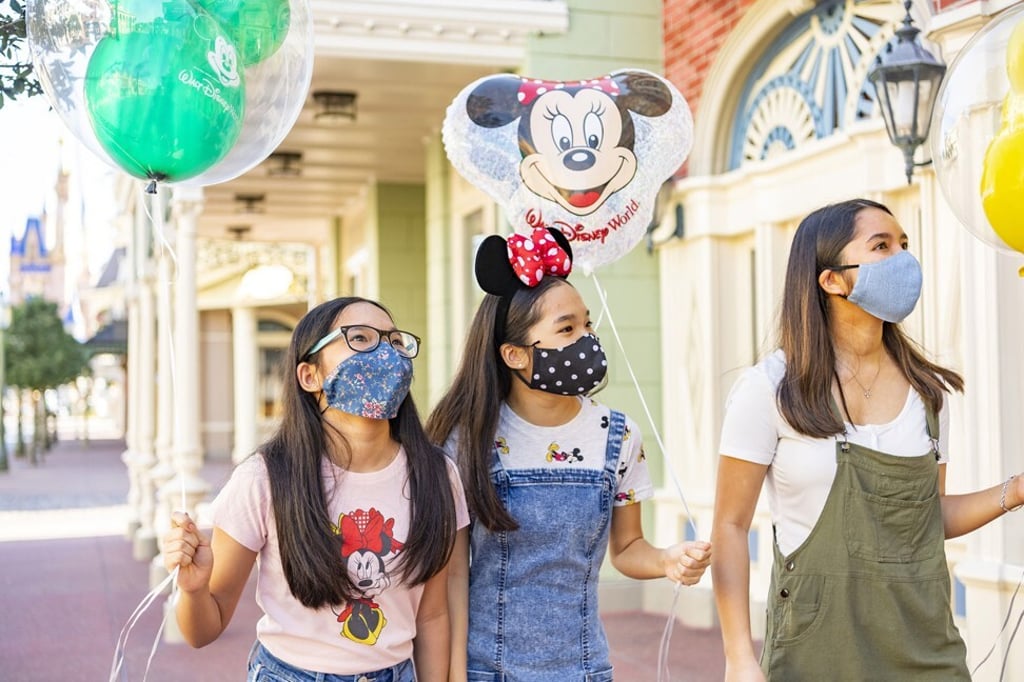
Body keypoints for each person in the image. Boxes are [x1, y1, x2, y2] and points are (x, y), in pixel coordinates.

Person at [711, 198, 1024, 681]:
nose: (903, 258)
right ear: (831, 278)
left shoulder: (929, 394)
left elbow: (925, 516)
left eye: (904, 244)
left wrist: (1015, 492)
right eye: (881, 246)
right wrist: (738, 657)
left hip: (924, 647)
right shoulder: (769, 390)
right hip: (815, 652)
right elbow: (731, 525)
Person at [425, 226, 712, 682]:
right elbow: (451, 574)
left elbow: (628, 548)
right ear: (514, 354)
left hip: (583, 670)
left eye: (587, 324)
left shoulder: (618, 436)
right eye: (567, 328)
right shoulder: (467, 441)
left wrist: (668, 560)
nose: (587, 339)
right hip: (484, 671)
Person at [162, 297, 469, 682]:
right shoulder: (265, 478)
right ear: (309, 376)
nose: (385, 354)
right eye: (360, 338)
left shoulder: (438, 475)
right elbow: (203, 630)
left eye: (394, 342)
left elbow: (433, 614)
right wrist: (192, 590)